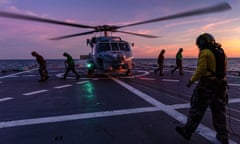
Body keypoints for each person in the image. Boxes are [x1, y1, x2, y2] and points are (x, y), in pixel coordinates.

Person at [175, 33, 229, 144]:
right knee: (219, 111)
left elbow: (201, 70)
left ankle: (187, 131)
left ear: (203, 42)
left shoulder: (205, 52)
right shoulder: (221, 51)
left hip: (207, 85)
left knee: (197, 109)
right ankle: (223, 136)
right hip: (221, 85)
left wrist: (191, 81)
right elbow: (224, 69)